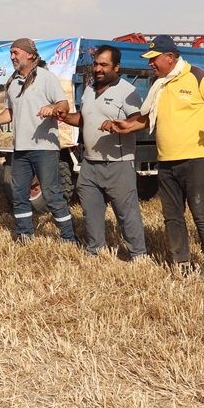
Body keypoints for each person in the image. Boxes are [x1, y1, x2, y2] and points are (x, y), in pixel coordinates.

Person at [105, 35, 204, 279]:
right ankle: (181, 263)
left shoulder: (198, 76)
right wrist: (125, 126)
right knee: (172, 216)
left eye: (154, 59)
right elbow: (145, 118)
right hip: (166, 159)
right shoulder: (158, 84)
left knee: (201, 212)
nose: (150, 64)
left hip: (197, 158)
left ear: (170, 58)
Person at [0, 38, 75, 243]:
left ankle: (69, 237)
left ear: (30, 55)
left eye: (16, 52)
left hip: (44, 148)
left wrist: (53, 109)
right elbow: (10, 113)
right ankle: (25, 236)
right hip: (20, 149)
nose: (12, 57)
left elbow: (63, 105)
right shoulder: (13, 82)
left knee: (51, 195)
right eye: (11, 53)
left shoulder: (46, 78)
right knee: (18, 194)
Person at [60, 44, 146, 259]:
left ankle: (138, 255)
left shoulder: (128, 92)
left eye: (104, 65)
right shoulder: (89, 88)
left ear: (116, 68)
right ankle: (94, 251)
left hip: (118, 162)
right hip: (90, 163)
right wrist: (63, 117)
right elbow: (84, 118)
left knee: (127, 215)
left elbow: (139, 120)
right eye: (96, 64)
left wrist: (120, 124)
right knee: (91, 211)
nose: (98, 68)